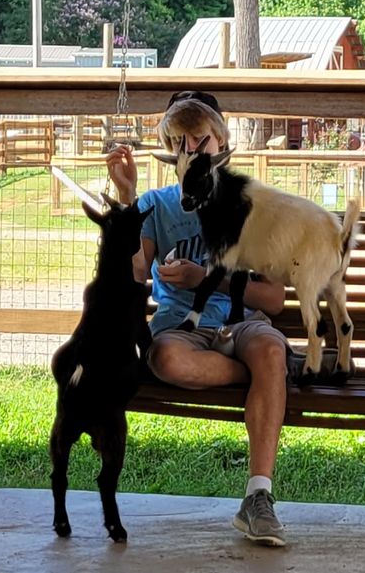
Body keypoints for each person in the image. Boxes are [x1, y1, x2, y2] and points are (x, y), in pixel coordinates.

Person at [106, 91, 289, 547]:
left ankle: (258, 497)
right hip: (180, 329)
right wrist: (126, 198)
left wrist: (206, 278)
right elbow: (133, 274)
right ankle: (267, 373)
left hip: (241, 324)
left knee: (269, 348)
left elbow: (273, 299)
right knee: (165, 359)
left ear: (221, 142)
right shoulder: (156, 204)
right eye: (178, 141)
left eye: (200, 139)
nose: (190, 149)